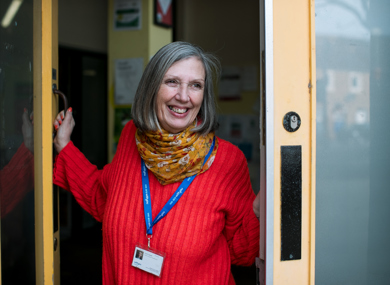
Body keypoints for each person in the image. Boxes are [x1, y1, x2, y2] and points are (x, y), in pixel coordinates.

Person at [53, 41, 260, 285]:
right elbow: (103, 198)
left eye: (196, 85)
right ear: (152, 87)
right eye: (172, 81)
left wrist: (259, 211)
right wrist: (64, 146)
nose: (183, 97)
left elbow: (242, 252)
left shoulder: (228, 160)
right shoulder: (132, 136)